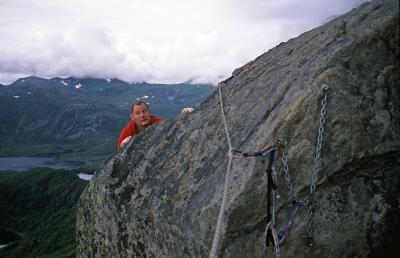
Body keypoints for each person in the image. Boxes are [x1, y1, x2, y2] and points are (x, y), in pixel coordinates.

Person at [117, 101, 193, 148]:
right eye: (137, 113)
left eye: (144, 111)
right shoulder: (129, 129)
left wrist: (183, 114)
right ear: (132, 117)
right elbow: (120, 146)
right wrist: (123, 145)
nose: (142, 115)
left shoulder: (157, 122)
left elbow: (173, 126)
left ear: (149, 112)